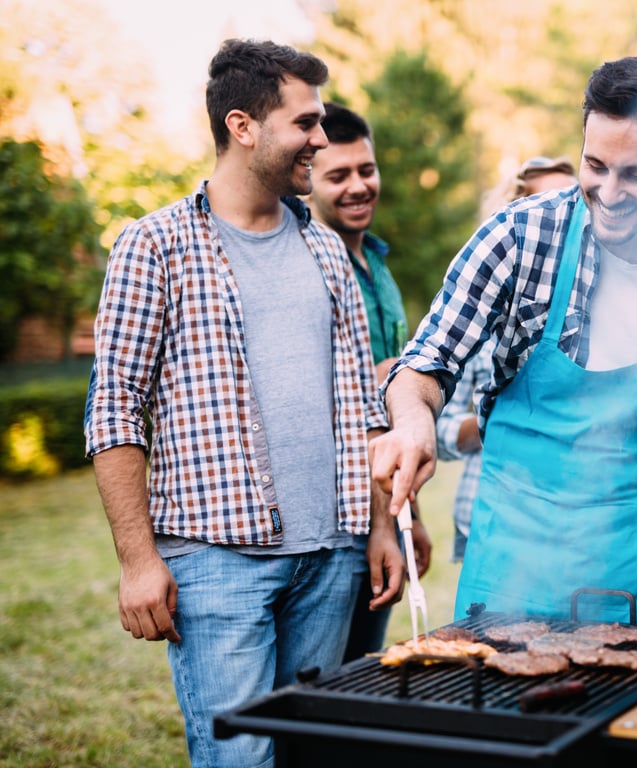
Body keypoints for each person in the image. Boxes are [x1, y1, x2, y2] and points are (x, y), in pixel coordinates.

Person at [83, 39, 404, 768]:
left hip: (331, 558)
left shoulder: (325, 249)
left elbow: (365, 406)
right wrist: (138, 561)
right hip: (215, 561)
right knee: (241, 760)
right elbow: (115, 410)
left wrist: (380, 527)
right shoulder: (152, 246)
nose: (320, 140)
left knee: (309, 753)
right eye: (306, 123)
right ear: (243, 126)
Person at [372, 56, 637, 629]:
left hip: (635, 560)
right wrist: (413, 424)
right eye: (596, 165)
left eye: (636, 174)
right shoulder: (517, 234)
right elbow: (426, 363)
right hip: (511, 554)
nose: (609, 193)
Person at [309, 101, 432, 662]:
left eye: (366, 170)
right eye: (338, 176)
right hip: (331, 518)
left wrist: (412, 521)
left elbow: (399, 411)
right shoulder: (306, 263)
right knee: (318, 684)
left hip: (385, 509)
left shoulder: (379, 267)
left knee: (363, 671)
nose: (359, 186)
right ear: (307, 177)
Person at [436, 155, 577, 563]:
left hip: (568, 525)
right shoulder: (479, 322)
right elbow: (440, 429)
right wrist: (501, 421)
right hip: (486, 519)